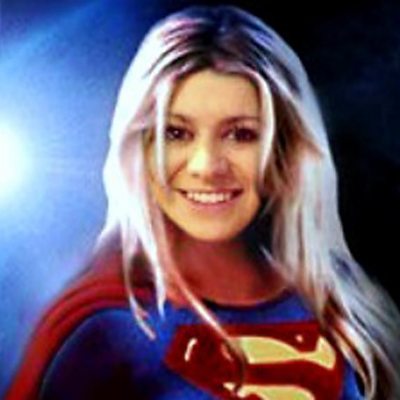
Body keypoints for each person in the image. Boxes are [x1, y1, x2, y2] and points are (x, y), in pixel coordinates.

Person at [5, 5, 400, 400]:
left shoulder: (344, 316)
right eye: (176, 133)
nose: (207, 166)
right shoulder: (106, 332)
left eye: (241, 134)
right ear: (139, 148)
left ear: (285, 149)